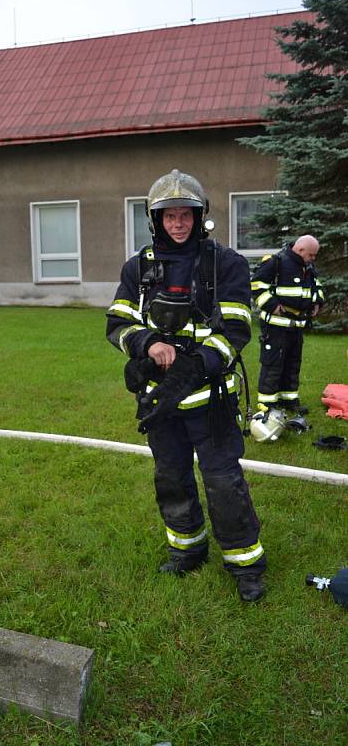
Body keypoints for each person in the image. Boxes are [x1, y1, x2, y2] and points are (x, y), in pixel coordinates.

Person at [106, 168, 266, 603]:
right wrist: (146, 343)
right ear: (155, 220)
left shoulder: (225, 263)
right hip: (161, 403)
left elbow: (234, 329)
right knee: (171, 476)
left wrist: (194, 367)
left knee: (221, 480)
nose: (178, 223)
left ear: (200, 217)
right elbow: (118, 321)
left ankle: (245, 563)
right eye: (169, 216)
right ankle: (188, 549)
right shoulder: (138, 267)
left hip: (210, 398)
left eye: (186, 215)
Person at [251, 235, 324, 414]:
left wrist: (317, 302)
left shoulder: (307, 267)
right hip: (276, 326)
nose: (313, 258)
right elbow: (256, 285)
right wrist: (273, 305)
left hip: (296, 327)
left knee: (292, 363)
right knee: (273, 364)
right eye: (311, 255)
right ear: (300, 250)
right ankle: (267, 403)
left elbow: (317, 286)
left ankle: (289, 400)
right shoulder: (276, 263)